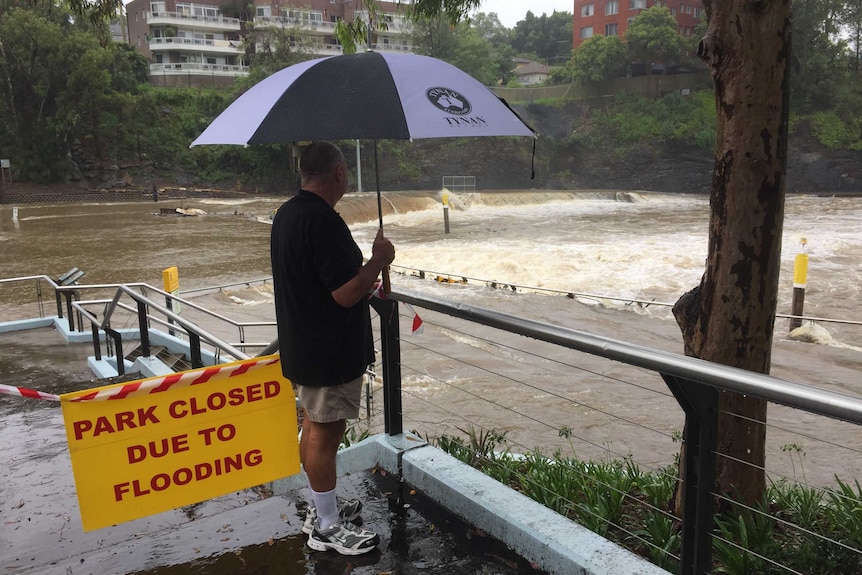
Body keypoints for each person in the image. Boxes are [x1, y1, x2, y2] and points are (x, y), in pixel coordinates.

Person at [270, 141, 395, 556]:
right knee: (325, 433)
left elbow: (314, 282)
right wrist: (378, 261)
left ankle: (320, 506)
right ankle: (326, 527)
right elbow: (343, 294)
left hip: (302, 345)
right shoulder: (323, 222)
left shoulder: (287, 214)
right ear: (339, 173)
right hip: (328, 352)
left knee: (312, 426)